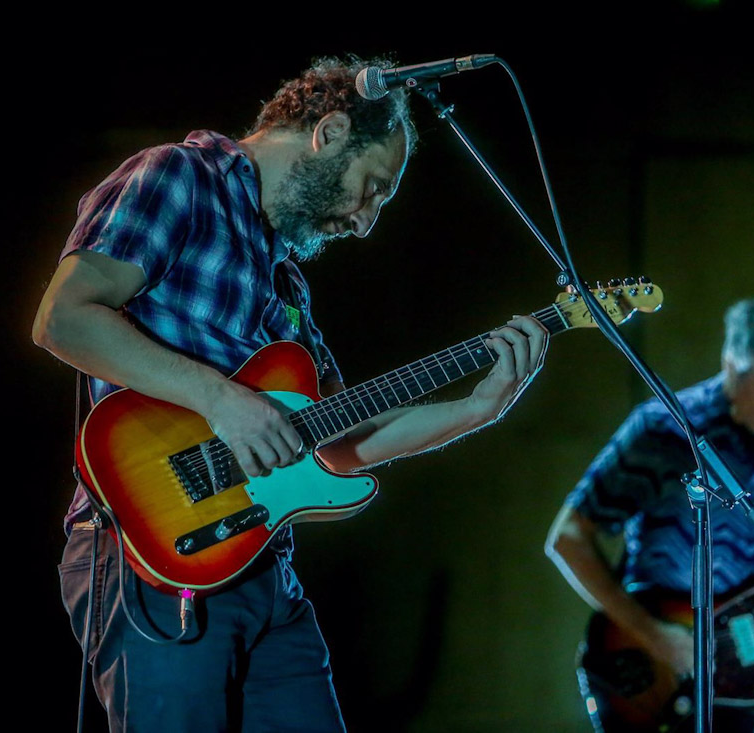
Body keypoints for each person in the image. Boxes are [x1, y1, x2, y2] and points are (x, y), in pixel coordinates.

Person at [33, 57, 548, 733]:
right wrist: (219, 399)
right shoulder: (178, 177)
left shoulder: (289, 286)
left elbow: (338, 442)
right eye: (371, 190)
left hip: (265, 571)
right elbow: (63, 318)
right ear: (330, 131)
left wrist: (479, 408)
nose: (365, 223)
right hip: (154, 554)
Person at [545, 298, 754, 733]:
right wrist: (655, 635)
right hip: (650, 668)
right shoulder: (665, 429)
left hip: (740, 679)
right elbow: (568, 538)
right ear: (732, 366)